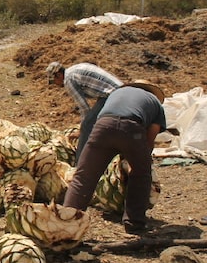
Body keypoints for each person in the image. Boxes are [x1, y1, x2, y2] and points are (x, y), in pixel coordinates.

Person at [62, 80, 167, 235]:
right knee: (141, 173)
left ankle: (67, 220)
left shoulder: (116, 93)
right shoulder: (155, 103)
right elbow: (149, 140)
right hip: (132, 127)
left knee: (84, 176)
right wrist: (135, 157)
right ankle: (134, 222)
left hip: (102, 127)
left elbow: (104, 120)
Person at [46, 61, 123, 161]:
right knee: (98, 121)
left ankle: (80, 163)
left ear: (59, 75)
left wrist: (81, 130)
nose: (55, 84)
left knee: (87, 124)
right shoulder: (74, 69)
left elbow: (84, 108)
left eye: (53, 81)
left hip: (111, 95)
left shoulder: (68, 80)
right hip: (119, 90)